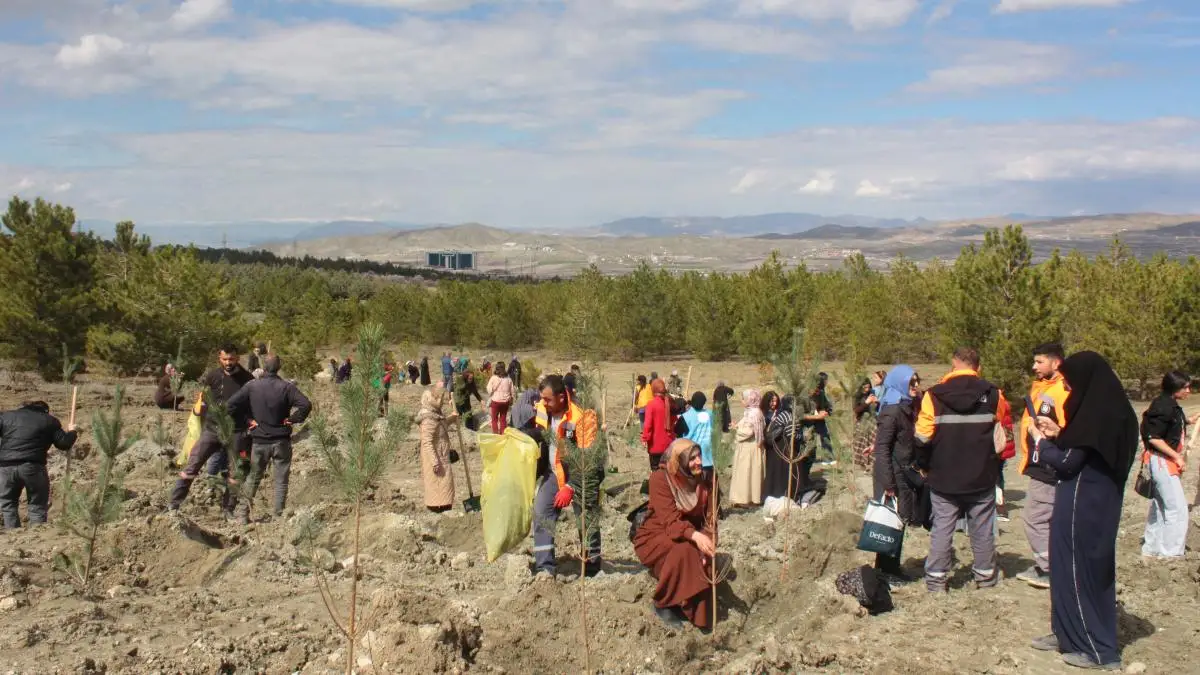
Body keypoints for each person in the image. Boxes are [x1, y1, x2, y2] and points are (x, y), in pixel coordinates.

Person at [1026, 351, 1137, 672]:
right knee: (1065, 569)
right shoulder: (1116, 412)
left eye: (1073, 386)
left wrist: (1040, 442)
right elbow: (1087, 452)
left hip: (1083, 506)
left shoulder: (1094, 416)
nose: (1070, 393)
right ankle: (1067, 633)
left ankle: (1098, 650)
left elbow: (1068, 462)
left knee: (1079, 572)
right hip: (1096, 502)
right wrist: (1059, 434)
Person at [915, 347, 1010, 592]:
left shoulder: (933, 395)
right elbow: (1003, 434)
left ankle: (936, 580)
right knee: (982, 529)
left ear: (953, 364)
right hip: (982, 475)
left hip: (944, 476)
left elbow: (922, 438)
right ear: (978, 366)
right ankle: (986, 577)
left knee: (942, 529)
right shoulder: (994, 394)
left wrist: (924, 466)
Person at [633, 439, 716, 631]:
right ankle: (664, 603)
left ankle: (692, 611)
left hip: (690, 533)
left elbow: (711, 520)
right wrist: (695, 537)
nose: (698, 462)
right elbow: (670, 522)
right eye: (691, 458)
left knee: (707, 559)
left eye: (699, 456)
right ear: (679, 461)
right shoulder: (660, 479)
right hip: (657, 534)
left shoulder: (706, 481)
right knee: (685, 552)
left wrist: (707, 541)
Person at [526, 375, 603, 576]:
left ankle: (592, 566)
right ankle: (544, 567)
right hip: (554, 472)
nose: (543, 403)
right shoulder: (545, 408)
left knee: (586, 519)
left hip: (582, 475)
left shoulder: (583, 416)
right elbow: (541, 432)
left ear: (562, 397)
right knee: (541, 512)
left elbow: (588, 461)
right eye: (542, 398)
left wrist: (571, 486)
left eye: (548, 399)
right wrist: (520, 435)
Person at [226, 355, 312, 524]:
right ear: (279, 367)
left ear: (263, 368)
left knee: (253, 478)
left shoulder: (252, 386)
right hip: (282, 441)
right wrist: (293, 419)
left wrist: (247, 420)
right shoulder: (287, 387)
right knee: (281, 480)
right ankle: (278, 516)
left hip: (259, 441)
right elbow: (306, 404)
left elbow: (230, 405)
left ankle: (242, 515)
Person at [1015, 343, 1069, 589]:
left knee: (1035, 518)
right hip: (1041, 461)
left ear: (1055, 362)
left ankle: (1049, 570)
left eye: (1039, 362)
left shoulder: (1061, 390)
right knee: (1048, 518)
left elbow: (1071, 430)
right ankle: (1055, 565)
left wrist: (1052, 435)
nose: (1034, 366)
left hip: (1049, 466)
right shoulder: (1043, 387)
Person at [871, 366, 923, 580]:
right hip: (892, 475)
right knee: (888, 525)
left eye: (917, 381)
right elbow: (882, 448)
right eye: (912, 382)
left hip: (902, 473)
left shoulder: (906, 407)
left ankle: (892, 568)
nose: (916, 386)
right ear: (900, 383)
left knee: (898, 523)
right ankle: (884, 571)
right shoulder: (892, 411)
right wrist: (888, 483)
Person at [1140, 370, 1197, 559]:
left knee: (1161, 506)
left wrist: (1187, 421)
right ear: (1175, 388)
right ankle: (1170, 553)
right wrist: (1177, 457)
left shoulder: (1169, 404)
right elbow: (1154, 437)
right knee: (1176, 509)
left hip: (1162, 460)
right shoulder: (1163, 406)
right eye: (1185, 387)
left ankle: (1152, 548)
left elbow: (1167, 427)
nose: (1189, 390)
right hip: (1162, 461)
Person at [0, 401, 77, 528]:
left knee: (8, 504)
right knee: (37, 505)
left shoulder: (6, 416)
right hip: (33, 467)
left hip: (5, 467)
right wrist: (72, 432)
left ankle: (12, 535)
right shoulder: (49, 421)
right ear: (45, 411)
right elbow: (64, 444)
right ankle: (35, 535)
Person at [197, 343, 254, 514]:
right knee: (214, 460)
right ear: (219, 359)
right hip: (214, 427)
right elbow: (204, 398)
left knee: (236, 467)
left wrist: (250, 421)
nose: (228, 362)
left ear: (237, 358)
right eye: (225, 359)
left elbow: (251, 403)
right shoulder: (212, 376)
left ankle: (229, 505)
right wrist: (204, 417)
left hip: (237, 429)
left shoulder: (247, 378)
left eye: (231, 359)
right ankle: (211, 491)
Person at [765, 395, 827, 505]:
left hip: (779, 449)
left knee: (779, 473)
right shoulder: (789, 416)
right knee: (786, 473)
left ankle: (781, 495)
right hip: (783, 449)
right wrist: (804, 437)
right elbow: (791, 435)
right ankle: (787, 495)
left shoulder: (783, 413)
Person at [417, 384, 457, 513]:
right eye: (438, 398)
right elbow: (427, 442)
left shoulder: (436, 414)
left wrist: (453, 416)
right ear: (430, 399)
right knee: (438, 485)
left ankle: (445, 507)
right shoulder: (428, 417)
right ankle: (437, 509)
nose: (440, 402)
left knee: (445, 485)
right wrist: (434, 462)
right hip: (435, 458)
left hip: (442, 454)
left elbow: (442, 424)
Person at [730, 389, 765, 507]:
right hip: (748, 447)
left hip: (749, 448)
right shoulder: (751, 411)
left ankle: (746, 499)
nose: (742, 401)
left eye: (743, 399)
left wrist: (736, 429)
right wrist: (737, 425)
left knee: (747, 473)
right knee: (747, 472)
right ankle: (746, 498)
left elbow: (748, 431)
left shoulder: (754, 413)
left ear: (750, 400)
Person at [641, 378, 677, 471]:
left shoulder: (651, 404)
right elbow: (674, 421)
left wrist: (645, 438)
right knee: (668, 473)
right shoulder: (670, 402)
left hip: (655, 446)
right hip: (669, 445)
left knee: (657, 474)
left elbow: (648, 424)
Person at [681, 392, 714, 481]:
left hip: (692, 452)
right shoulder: (710, 414)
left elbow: (678, 432)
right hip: (708, 452)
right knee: (707, 479)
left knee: (694, 481)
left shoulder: (686, 416)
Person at [811, 373, 835, 464]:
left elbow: (824, 402)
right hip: (812, 417)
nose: (827, 382)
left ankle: (828, 458)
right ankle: (811, 458)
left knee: (825, 436)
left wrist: (828, 410)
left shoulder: (822, 390)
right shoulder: (814, 390)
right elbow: (811, 403)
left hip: (820, 416)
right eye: (826, 380)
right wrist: (817, 413)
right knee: (811, 438)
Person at [487, 361, 514, 434]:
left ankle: (495, 435)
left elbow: (489, 389)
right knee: (503, 419)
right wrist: (511, 400)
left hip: (495, 402)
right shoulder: (508, 379)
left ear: (497, 368)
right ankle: (502, 434)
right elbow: (512, 391)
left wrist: (492, 393)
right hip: (505, 402)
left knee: (494, 419)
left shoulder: (493, 378)